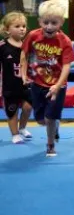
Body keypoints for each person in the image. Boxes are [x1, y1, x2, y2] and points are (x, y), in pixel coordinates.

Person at [20, 0, 74, 157]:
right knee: (40, 120)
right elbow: (24, 55)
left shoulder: (64, 41)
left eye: (54, 23)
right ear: (39, 21)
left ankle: (50, 144)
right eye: (45, 22)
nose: (49, 27)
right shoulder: (33, 36)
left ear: (61, 23)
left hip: (57, 85)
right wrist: (24, 74)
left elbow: (66, 66)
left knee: (49, 118)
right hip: (37, 83)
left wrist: (58, 85)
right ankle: (54, 124)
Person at [0, 12, 33, 144]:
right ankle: (14, 134)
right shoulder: (2, 47)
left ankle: (23, 127)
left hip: (25, 84)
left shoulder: (28, 45)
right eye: (17, 26)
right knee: (12, 110)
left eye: (24, 26)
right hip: (9, 86)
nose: (22, 29)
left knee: (28, 107)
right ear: (7, 29)